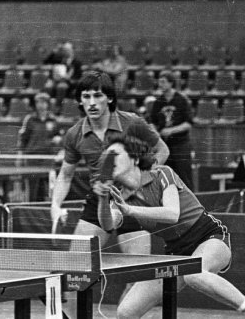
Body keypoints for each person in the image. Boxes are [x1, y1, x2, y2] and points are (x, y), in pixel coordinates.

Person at [96, 134, 245, 319]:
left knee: (194, 273)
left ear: (134, 158)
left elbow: (172, 214)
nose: (110, 160)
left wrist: (130, 210)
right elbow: (110, 223)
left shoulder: (161, 173)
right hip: (175, 252)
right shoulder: (118, 192)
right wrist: (103, 199)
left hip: (208, 236)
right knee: (126, 312)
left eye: (115, 154)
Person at [51, 72, 169, 312]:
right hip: (99, 201)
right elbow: (65, 175)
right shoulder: (75, 134)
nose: (92, 102)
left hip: (134, 202)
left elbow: (162, 150)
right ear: (80, 101)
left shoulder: (131, 123)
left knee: (138, 276)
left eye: (98, 95)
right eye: (86, 96)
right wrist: (55, 206)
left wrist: (140, 180)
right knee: (75, 274)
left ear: (110, 99)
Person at [150, 70, 194, 190]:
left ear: (170, 83)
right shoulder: (158, 102)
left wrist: (171, 130)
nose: (160, 84)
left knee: (184, 176)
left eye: (163, 82)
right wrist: (155, 133)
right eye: (159, 81)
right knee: (166, 176)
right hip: (165, 145)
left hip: (181, 144)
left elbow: (188, 123)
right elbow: (153, 122)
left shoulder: (181, 100)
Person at [18, 92, 60, 201]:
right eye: (38, 102)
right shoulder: (30, 119)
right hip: (33, 157)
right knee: (32, 187)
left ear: (47, 104)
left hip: (47, 158)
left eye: (43, 102)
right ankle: (31, 208)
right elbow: (23, 139)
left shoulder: (53, 120)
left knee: (46, 188)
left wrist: (58, 139)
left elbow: (58, 135)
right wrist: (20, 156)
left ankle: (43, 210)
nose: (40, 105)